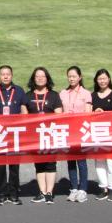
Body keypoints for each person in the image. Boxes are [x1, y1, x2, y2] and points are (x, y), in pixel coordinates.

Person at [0, 64, 26, 205]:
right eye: (3, 74)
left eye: (8, 74)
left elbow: (24, 111)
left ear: (12, 75)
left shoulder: (19, 91)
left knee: (14, 166)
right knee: (0, 166)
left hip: (15, 134)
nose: (5, 76)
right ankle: (1, 193)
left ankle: (14, 193)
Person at [23, 66, 64, 204]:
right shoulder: (28, 96)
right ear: (33, 79)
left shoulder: (54, 95)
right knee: (39, 164)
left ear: (47, 78)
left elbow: (59, 115)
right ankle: (42, 192)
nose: (40, 78)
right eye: (37, 76)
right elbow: (24, 116)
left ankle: (49, 193)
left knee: (51, 163)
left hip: (50, 134)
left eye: (43, 76)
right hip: (35, 136)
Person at [59, 66, 91, 203]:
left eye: (74, 76)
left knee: (81, 161)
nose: (71, 79)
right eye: (69, 76)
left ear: (80, 77)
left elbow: (88, 113)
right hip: (67, 131)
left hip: (80, 131)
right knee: (70, 160)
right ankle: (73, 188)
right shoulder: (63, 93)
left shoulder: (85, 93)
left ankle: (83, 189)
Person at [90, 69, 112, 201]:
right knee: (99, 161)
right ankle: (103, 187)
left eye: (104, 78)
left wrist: (105, 113)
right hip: (97, 132)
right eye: (100, 79)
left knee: (111, 161)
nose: (102, 81)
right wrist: (95, 112)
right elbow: (88, 114)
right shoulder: (93, 95)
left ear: (109, 79)